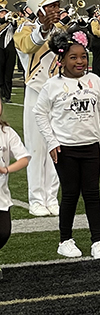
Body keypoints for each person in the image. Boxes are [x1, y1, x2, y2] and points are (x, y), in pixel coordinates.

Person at [34, 27, 100, 259]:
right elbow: (40, 113)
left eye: (83, 57)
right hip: (65, 149)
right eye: (73, 57)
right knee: (70, 193)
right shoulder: (52, 85)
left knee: (92, 193)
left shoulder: (94, 81)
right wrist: (51, 142)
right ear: (61, 60)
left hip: (91, 146)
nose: (80, 61)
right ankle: (65, 240)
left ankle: (98, 241)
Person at [14, 0, 65, 217]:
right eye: (51, 6)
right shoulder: (24, 29)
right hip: (36, 91)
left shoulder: (62, 30)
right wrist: (44, 28)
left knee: (57, 146)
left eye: (57, 5)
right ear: (39, 10)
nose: (56, 10)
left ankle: (51, 196)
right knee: (36, 147)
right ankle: (36, 197)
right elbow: (28, 45)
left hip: (59, 92)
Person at [0, 98, 30, 278]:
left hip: (1, 195)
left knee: (3, 232)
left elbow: (24, 158)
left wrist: (7, 169)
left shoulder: (7, 132)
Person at [0, 4, 15, 103]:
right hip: (0, 48)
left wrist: (13, 20)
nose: (4, 14)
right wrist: (4, 19)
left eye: (5, 12)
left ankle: (7, 95)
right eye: (1, 12)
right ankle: (1, 93)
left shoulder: (10, 23)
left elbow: (16, 26)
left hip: (10, 49)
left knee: (8, 73)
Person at [85, 5, 100, 78]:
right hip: (96, 41)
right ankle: (96, 74)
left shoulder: (89, 20)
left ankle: (95, 73)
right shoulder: (94, 21)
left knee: (96, 58)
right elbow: (95, 32)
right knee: (98, 59)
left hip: (92, 41)